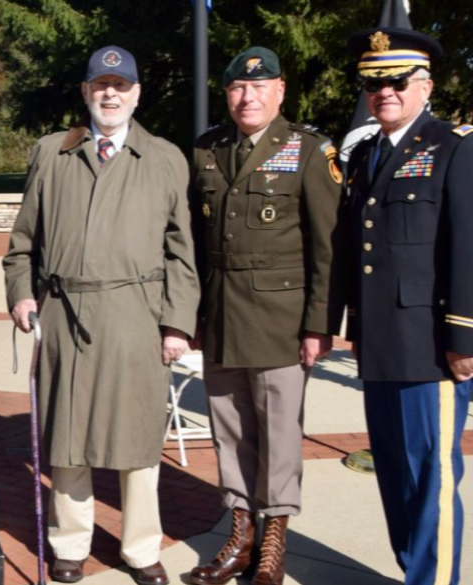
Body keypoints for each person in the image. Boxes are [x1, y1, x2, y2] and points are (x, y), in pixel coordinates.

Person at [3, 45, 199, 585]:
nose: (110, 94)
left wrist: (178, 322)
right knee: (68, 436)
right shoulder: (52, 152)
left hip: (137, 313)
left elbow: (182, 251)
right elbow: (23, 244)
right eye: (100, 85)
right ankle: (70, 544)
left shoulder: (163, 157)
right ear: (86, 92)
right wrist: (22, 293)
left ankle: (140, 549)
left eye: (121, 85)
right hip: (64, 312)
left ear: (137, 93)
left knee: (137, 439)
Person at [188, 47, 343, 585]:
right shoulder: (208, 150)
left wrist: (319, 324)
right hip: (222, 316)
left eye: (259, 87)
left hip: (281, 318)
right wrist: (194, 315)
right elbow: (193, 241)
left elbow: (326, 245)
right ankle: (240, 532)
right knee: (229, 432)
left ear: (280, 92)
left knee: (278, 434)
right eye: (236, 88)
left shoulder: (308, 149)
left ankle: (273, 539)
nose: (246, 96)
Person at [344, 27, 472, 585]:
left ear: (426, 85)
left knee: (431, 474)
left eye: (397, 81)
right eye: (374, 83)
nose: (384, 92)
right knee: (394, 473)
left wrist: (464, 337)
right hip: (379, 342)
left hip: (430, 346)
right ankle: (411, 570)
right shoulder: (366, 153)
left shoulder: (454, 147)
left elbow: (467, 244)